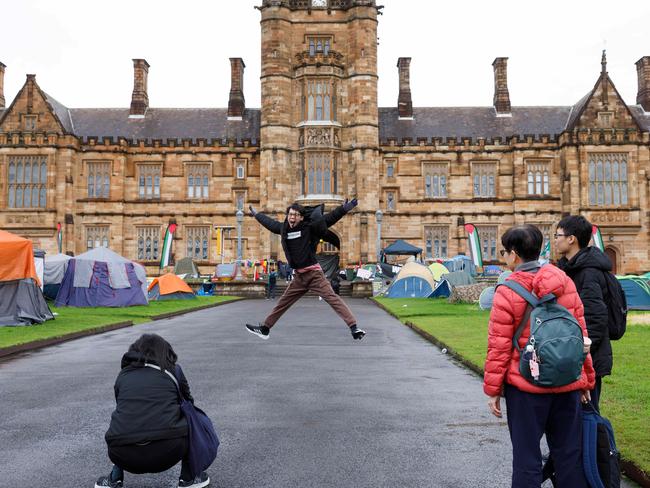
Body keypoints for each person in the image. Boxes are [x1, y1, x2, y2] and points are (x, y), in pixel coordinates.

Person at [483, 225, 595, 488]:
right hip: (567, 383)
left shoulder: (508, 290)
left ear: (513, 254)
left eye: (504, 252)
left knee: (527, 460)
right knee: (569, 457)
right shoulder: (564, 281)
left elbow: (498, 345)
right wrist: (585, 380)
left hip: (526, 388)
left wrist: (493, 390)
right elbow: (580, 334)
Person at [95, 334, 211, 488]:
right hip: (168, 452)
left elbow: (122, 406)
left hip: (121, 454)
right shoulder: (174, 370)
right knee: (192, 416)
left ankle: (114, 478)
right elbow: (188, 402)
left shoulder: (123, 374)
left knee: (126, 420)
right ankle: (188, 478)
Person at [245, 200, 365, 340]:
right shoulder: (284, 229)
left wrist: (344, 209)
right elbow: (271, 224)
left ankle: (354, 327)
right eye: (290, 214)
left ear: (301, 218)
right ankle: (265, 329)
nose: (292, 217)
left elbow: (328, 219)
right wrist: (257, 215)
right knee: (283, 303)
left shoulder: (309, 228)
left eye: (296, 215)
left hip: (314, 275)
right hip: (299, 278)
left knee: (332, 298)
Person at [555, 215, 612, 413]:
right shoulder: (567, 267)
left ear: (571, 239)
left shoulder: (589, 272)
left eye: (558, 235)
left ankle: (603, 446)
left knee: (588, 416)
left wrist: (580, 357)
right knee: (573, 418)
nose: (555, 239)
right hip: (571, 355)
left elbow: (595, 320)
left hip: (587, 359)